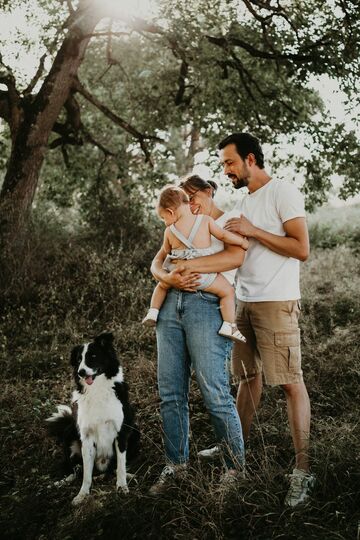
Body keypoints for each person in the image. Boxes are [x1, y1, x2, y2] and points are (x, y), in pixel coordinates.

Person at [175, 133, 315, 508]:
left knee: (288, 383)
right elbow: (229, 229)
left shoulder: (282, 192)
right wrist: (204, 204)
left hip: (276, 301)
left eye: (229, 163)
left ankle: (303, 471)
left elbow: (301, 248)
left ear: (250, 159)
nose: (226, 169)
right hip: (244, 302)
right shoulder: (244, 200)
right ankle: (232, 450)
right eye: (223, 165)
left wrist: (254, 231)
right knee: (247, 380)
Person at [149, 175, 247, 495]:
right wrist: (168, 278)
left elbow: (238, 254)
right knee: (170, 392)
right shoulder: (173, 229)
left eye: (194, 195)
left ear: (207, 193)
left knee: (214, 391)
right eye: (184, 197)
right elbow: (157, 262)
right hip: (170, 308)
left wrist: (193, 267)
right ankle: (176, 464)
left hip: (205, 305)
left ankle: (234, 468)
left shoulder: (219, 221)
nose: (190, 202)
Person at [142, 184, 248, 343]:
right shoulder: (206, 220)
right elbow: (224, 236)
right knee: (227, 291)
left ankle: (153, 311)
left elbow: (165, 252)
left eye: (164, 218)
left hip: (176, 273)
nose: (165, 222)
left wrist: (170, 273)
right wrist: (242, 242)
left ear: (171, 212)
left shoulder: (169, 231)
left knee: (162, 285)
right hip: (202, 276)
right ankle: (229, 325)